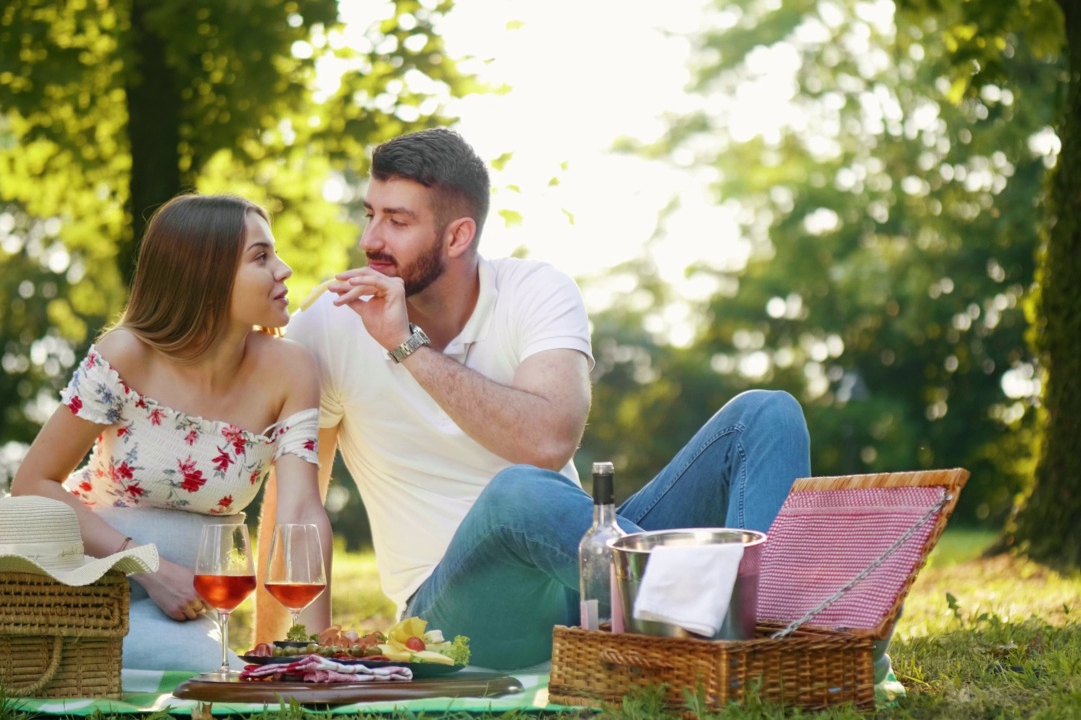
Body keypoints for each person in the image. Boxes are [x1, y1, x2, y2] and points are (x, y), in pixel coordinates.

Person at [258, 128, 891, 686]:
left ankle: (770, 628)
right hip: (458, 616)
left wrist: (406, 345)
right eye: (370, 214)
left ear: (457, 234)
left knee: (766, 413)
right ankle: (762, 629)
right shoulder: (330, 325)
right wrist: (278, 655)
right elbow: (294, 504)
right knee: (517, 496)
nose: (371, 238)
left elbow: (548, 438)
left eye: (398, 221)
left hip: (582, 578)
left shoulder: (535, 291)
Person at [11, 193, 334, 673]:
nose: (283, 270)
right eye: (261, 257)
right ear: (206, 274)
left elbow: (301, 512)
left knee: (214, 665)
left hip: (192, 605)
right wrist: (151, 568)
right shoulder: (125, 355)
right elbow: (31, 485)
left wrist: (318, 652)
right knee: (211, 672)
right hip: (87, 584)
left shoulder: (291, 370)